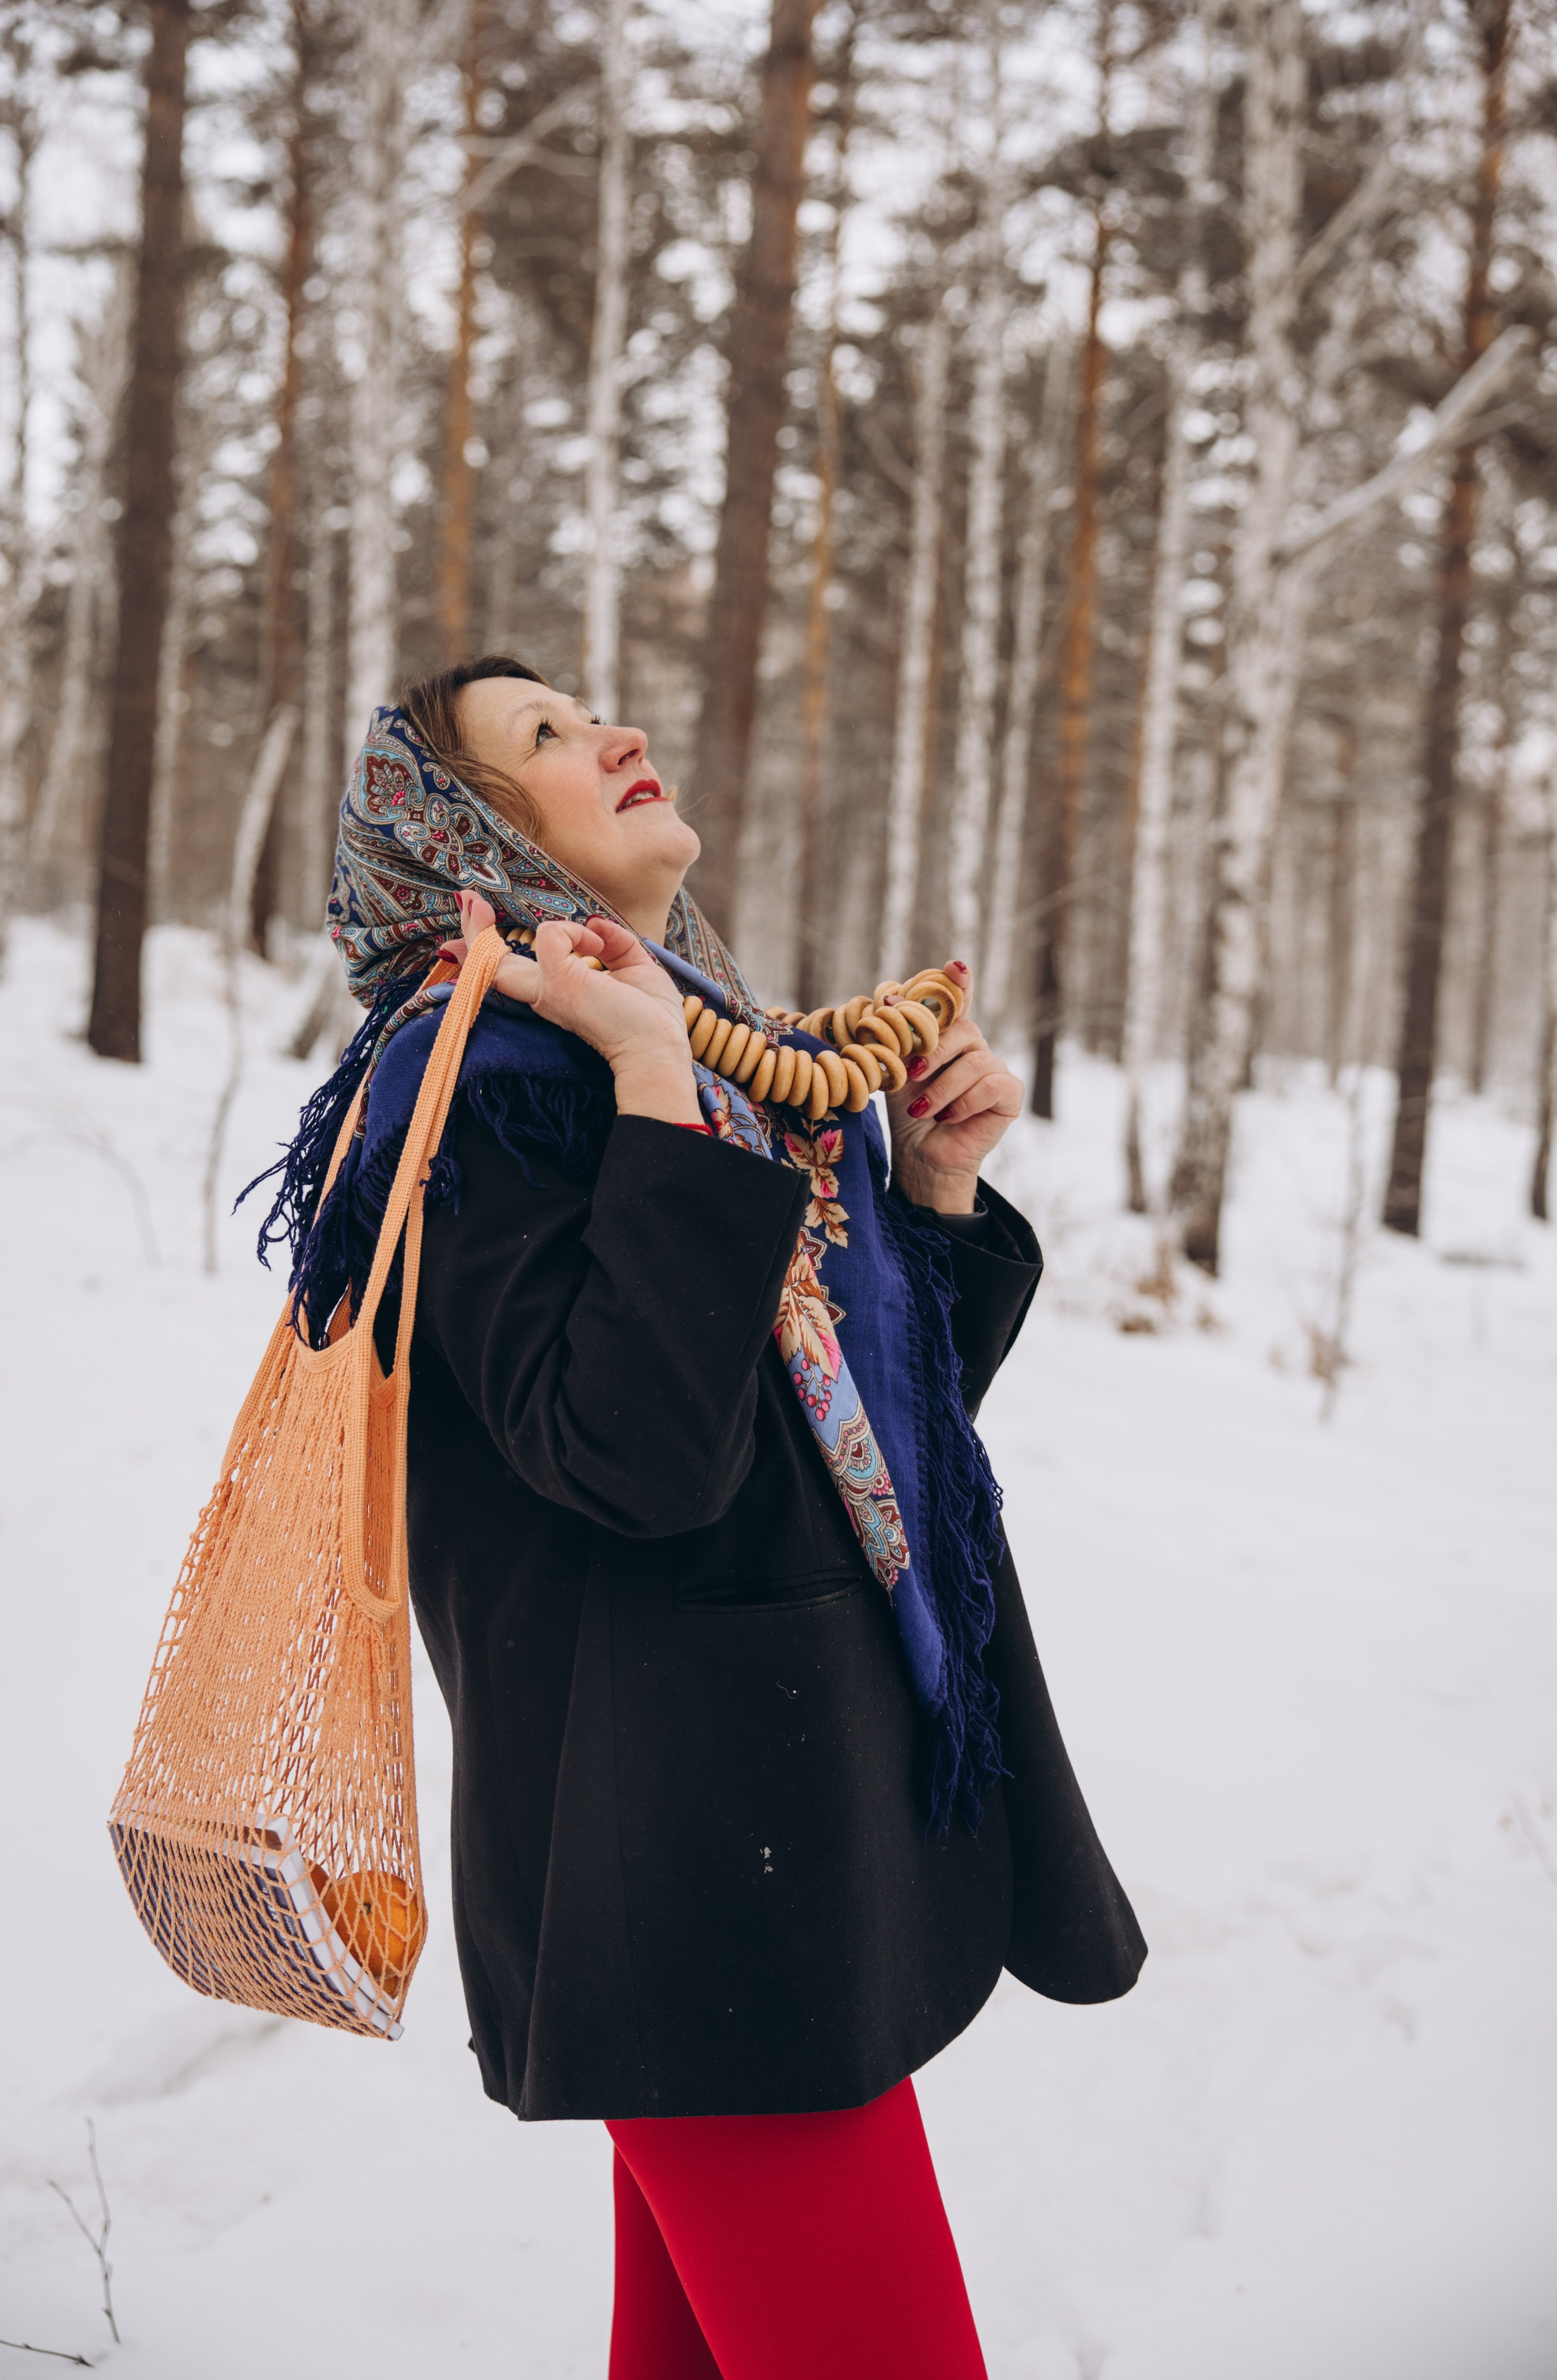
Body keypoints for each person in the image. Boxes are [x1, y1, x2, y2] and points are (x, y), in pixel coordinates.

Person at [260, 655, 1145, 2380]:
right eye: (549, 741)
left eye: (591, 711)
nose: (623, 736)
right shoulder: (470, 1095)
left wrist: (935, 1191)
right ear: (465, 843)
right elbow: (634, 1460)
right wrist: (657, 1092)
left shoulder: (690, 1048)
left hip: (780, 1842)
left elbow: (835, 1455)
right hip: (693, 1869)